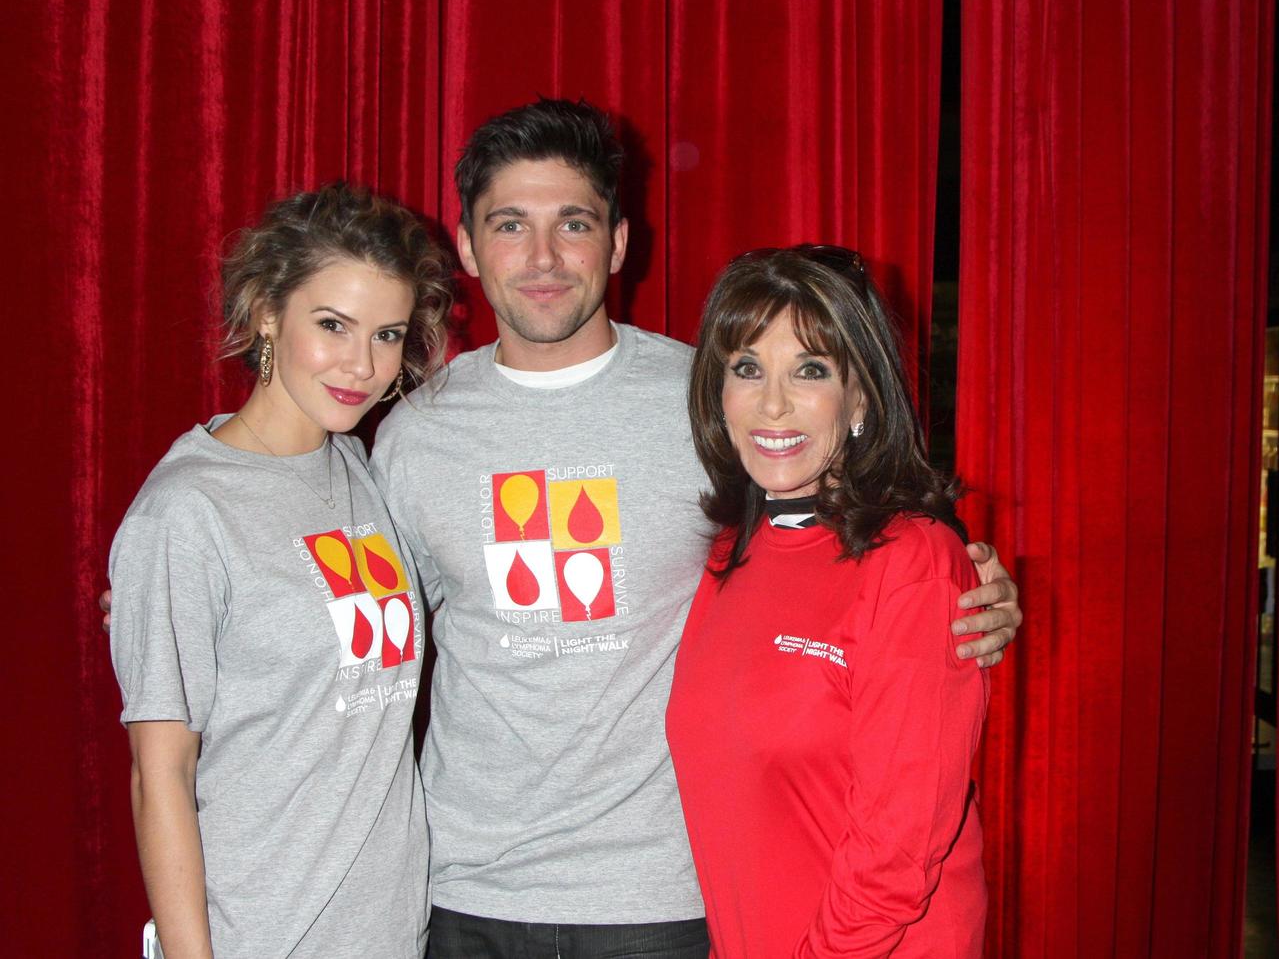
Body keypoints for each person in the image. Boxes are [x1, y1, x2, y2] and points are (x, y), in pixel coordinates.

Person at [370, 98, 1019, 957]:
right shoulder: (412, 435)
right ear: (464, 247)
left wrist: (971, 597)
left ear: (619, 243)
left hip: (668, 895)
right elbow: (356, 622)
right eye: (508, 225)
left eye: (573, 223)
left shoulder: (711, 403)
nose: (542, 258)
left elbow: (851, 536)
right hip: (467, 886)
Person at [106, 182, 453, 957]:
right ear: (267, 311)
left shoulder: (359, 470)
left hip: (393, 933)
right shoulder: (186, 512)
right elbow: (157, 775)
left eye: (388, 334)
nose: (361, 365)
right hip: (260, 935)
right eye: (333, 325)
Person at [667, 244, 988, 956]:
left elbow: (897, 852)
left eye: (810, 371)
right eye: (747, 368)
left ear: (862, 398)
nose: (772, 402)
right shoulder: (731, 553)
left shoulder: (914, 562)